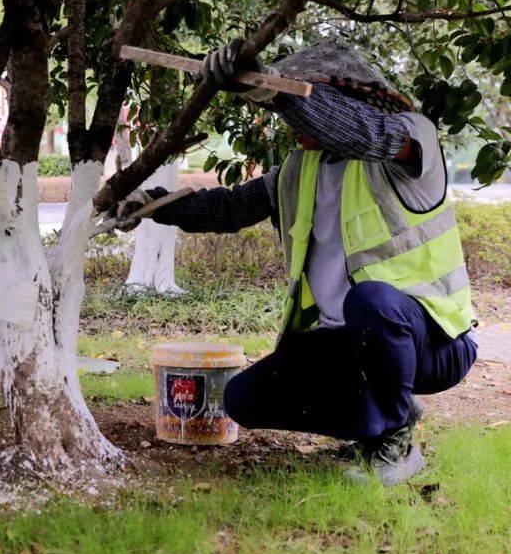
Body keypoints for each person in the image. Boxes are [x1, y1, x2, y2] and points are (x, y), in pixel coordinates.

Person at [110, 37, 478, 486]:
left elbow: (363, 133)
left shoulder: (409, 140)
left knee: (372, 300)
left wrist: (273, 91)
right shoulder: (299, 169)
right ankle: (378, 420)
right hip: (352, 345)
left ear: (344, 97)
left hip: (435, 343)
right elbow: (229, 207)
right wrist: (151, 204)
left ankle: (396, 440)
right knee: (244, 400)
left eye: (299, 101)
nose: (289, 123)